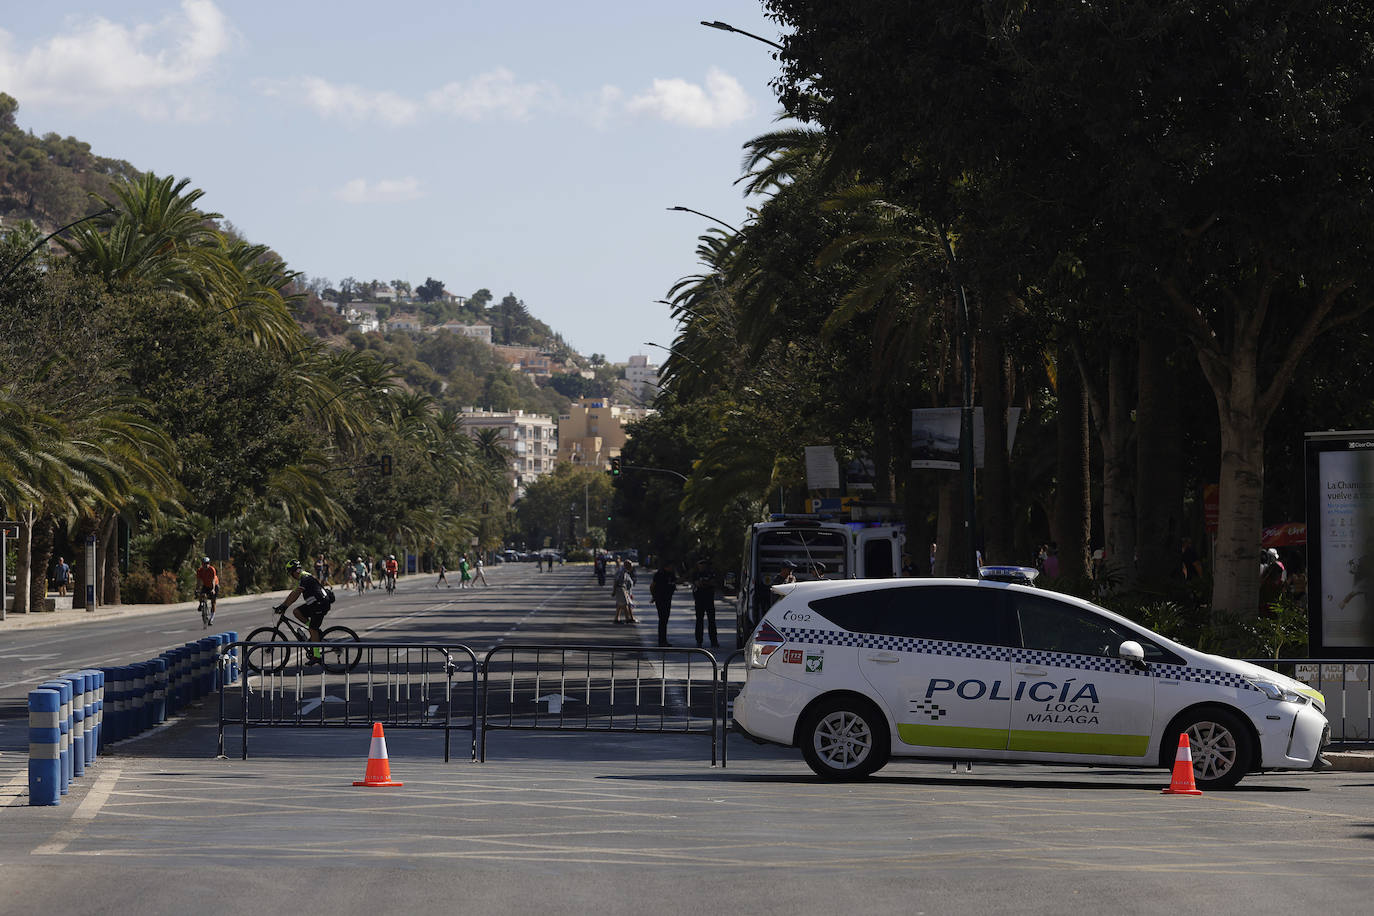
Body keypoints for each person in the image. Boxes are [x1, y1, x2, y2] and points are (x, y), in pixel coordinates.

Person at [274, 559, 335, 650]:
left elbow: (296, 594)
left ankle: (316, 656)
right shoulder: (301, 578)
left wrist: (285, 606)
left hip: (320, 604)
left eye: (290, 573)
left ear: (294, 572)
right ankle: (315, 631)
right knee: (297, 612)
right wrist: (283, 605)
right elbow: (293, 593)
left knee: (312, 629)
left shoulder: (305, 578)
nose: (291, 575)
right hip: (315, 604)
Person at [691, 558, 719, 649]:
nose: (702, 566)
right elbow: (697, 583)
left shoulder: (710, 573)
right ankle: (699, 641)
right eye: (701, 564)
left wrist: (706, 583)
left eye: (704, 564)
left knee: (711, 621)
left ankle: (714, 641)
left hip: (709, 600)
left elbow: (713, 582)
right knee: (699, 621)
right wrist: (705, 583)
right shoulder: (696, 574)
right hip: (699, 600)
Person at [650, 560, 677, 647]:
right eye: (670, 566)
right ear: (666, 566)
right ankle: (662, 641)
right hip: (660, 599)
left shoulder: (671, 574)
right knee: (662, 619)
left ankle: (663, 640)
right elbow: (652, 586)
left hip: (668, 599)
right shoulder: (659, 574)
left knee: (665, 620)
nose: (672, 568)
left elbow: (675, 582)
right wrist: (654, 596)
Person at [613, 559, 638, 625]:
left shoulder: (625, 571)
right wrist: (614, 591)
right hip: (620, 588)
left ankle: (617, 619)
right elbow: (616, 581)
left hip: (624, 589)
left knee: (620, 604)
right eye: (631, 566)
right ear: (627, 565)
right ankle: (628, 619)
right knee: (625, 604)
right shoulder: (622, 571)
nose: (631, 568)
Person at [195, 556, 219, 622]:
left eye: (207, 563)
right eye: (204, 563)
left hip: (214, 585)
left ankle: (211, 618)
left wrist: (213, 589)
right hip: (206, 585)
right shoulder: (200, 571)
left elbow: (213, 580)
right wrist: (197, 589)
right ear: (202, 564)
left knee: (213, 602)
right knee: (201, 593)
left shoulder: (212, 569)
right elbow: (199, 581)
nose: (206, 565)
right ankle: (201, 604)